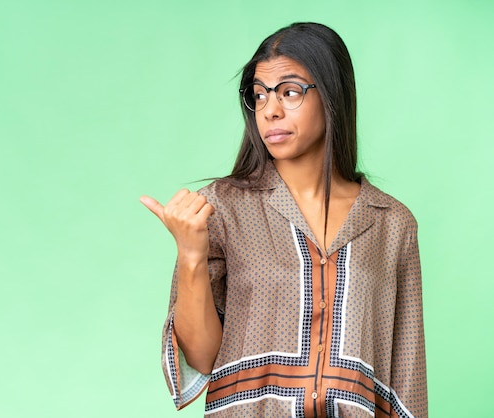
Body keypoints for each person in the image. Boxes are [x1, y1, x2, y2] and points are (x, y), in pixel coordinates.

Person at [140, 22, 427, 417]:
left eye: (289, 92)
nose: (270, 110)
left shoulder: (392, 224)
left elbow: (406, 376)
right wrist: (191, 254)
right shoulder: (222, 208)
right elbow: (203, 358)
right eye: (259, 95)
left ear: (331, 95)